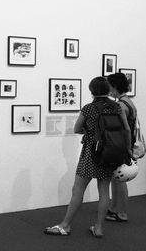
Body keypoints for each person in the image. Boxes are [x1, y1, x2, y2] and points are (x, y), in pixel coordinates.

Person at [44, 76, 131, 238]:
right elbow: (126, 130)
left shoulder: (89, 108)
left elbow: (77, 128)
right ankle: (98, 228)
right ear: (107, 89)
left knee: (77, 191)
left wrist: (89, 132)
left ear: (91, 91)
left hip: (91, 154)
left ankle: (65, 225)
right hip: (109, 154)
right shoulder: (117, 107)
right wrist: (127, 151)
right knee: (104, 191)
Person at [106, 73, 137, 222]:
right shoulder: (128, 101)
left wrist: (127, 148)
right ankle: (114, 208)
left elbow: (125, 129)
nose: (109, 89)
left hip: (122, 145)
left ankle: (122, 212)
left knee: (120, 178)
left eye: (110, 86)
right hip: (125, 145)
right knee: (117, 177)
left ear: (115, 86)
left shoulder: (121, 105)